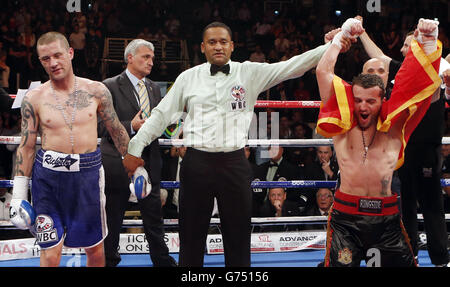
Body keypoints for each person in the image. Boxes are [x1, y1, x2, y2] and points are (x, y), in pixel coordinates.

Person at [122, 21, 350, 267]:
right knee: (191, 235)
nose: (217, 47)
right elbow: (160, 116)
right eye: (212, 42)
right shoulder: (188, 78)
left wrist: (330, 46)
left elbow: (291, 67)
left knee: (239, 234)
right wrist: (135, 148)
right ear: (202, 47)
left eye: (222, 42)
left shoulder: (248, 72)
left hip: (234, 162)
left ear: (232, 46)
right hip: (197, 162)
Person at [315, 18, 442, 267]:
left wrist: (428, 43)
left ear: (382, 99)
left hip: (386, 220)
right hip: (345, 220)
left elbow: (426, 90)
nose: (363, 107)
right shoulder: (344, 122)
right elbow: (323, 73)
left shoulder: (395, 125)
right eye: (358, 100)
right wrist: (339, 40)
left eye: (370, 102)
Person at [9, 31, 131, 267]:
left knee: (95, 249)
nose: (53, 63)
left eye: (57, 55)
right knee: (50, 251)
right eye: (45, 59)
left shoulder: (96, 91)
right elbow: (26, 146)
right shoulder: (34, 98)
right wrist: (18, 195)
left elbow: (116, 130)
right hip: (48, 180)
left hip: (88, 177)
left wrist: (134, 166)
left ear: (70, 53)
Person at [358, 15, 450, 267]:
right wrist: (362, 32)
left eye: (408, 45)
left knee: (432, 206)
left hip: (427, 151)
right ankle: (409, 257)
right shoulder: (401, 71)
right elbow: (377, 56)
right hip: (400, 151)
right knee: (404, 206)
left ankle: (441, 260)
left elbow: (436, 87)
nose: (402, 48)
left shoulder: (436, 72)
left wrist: (428, 41)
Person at [99, 39, 177, 267]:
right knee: (113, 215)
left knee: (154, 216)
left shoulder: (153, 88)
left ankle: (162, 261)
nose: (151, 62)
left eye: (152, 57)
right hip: (117, 160)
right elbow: (100, 127)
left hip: (149, 159)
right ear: (130, 57)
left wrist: (173, 123)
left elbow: (160, 122)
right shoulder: (109, 86)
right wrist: (130, 126)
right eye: (146, 57)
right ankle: (109, 260)